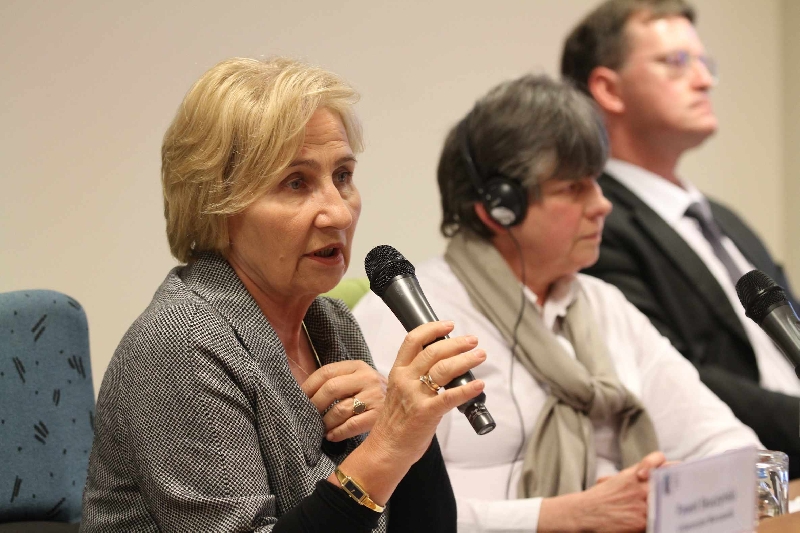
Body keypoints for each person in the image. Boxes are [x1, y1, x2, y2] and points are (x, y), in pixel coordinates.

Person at [80, 57, 487, 532]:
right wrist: (386, 449)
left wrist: (412, 434)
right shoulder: (180, 344)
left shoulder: (330, 324)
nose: (339, 214)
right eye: (296, 183)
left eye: (343, 176)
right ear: (217, 206)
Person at [353, 74, 762, 532]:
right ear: (499, 208)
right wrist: (565, 516)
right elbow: (382, 509)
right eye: (574, 188)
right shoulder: (404, 317)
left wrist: (674, 492)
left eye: (596, 183)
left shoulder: (604, 305)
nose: (603, 204)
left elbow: (728, 443)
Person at [561, 0, 800, 477]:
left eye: (705, 63)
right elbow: (672, 378)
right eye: (677, 62)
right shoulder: (593, 223)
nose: (704, 80)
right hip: (738, 476)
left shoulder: (725, 220)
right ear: (609, 88)